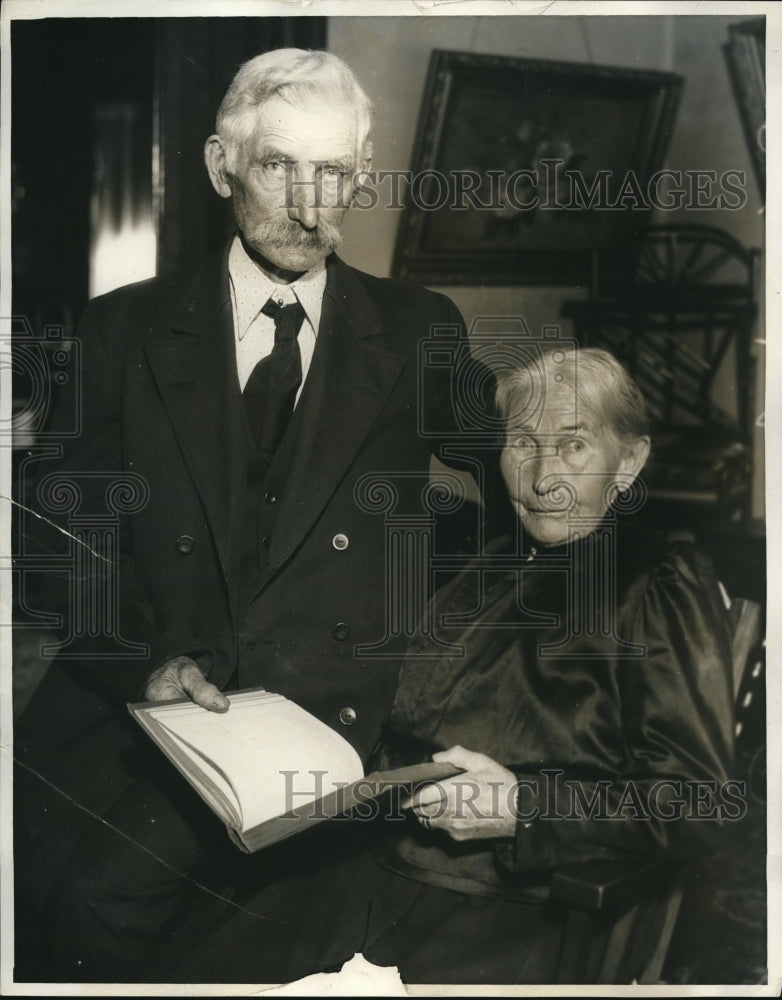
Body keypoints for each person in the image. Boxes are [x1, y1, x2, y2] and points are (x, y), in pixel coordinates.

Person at [14, 48, 498, 981]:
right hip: (148, 711)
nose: (309, 202)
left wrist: (597, 448)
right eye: (278, 165)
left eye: (334, 173)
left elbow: (525, 474)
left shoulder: (417, 328)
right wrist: (141, 661)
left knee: (133, 917)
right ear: (219, 165)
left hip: (321, 727)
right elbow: (49, 544)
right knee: (64, 910)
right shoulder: (122, 330)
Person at [173, 346, 736, 985]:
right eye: (522, 443)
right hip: (365, 866)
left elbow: (701, 802)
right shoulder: (487, 564)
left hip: (502, 904)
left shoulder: (656, 579)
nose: (542, 475)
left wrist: (523, 806)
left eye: (574, 446)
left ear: (628, 463)